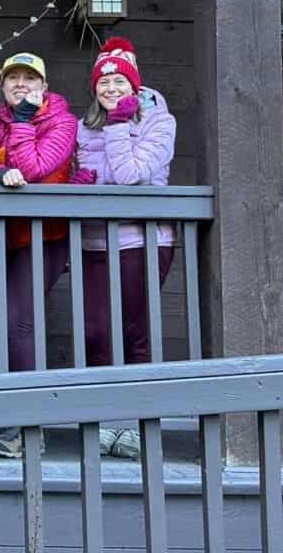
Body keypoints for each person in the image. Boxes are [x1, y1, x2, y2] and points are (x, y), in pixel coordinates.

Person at [0, 51, 77, 458]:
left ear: (44, 86)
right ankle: (13, 413)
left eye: (29, 79)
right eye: (12, 78)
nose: (20, 84)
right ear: (2, 86)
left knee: (19, 321)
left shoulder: (63, 123)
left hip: (43, 235)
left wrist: (21, 122)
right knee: (10, 321)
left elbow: (33, 169)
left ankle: (26, 427)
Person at [76, 37, 176, 458]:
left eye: (120, 81)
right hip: (94, 241)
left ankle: (137, 424)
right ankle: (105, 419)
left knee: (136, 333)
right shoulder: (84, 126)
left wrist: (118, 126)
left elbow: (131, 176)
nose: (111, 88)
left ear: (134, 86)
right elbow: (85, 175)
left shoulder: (159, 122)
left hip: (142, 239)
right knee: (97, 334)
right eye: (104, 81)